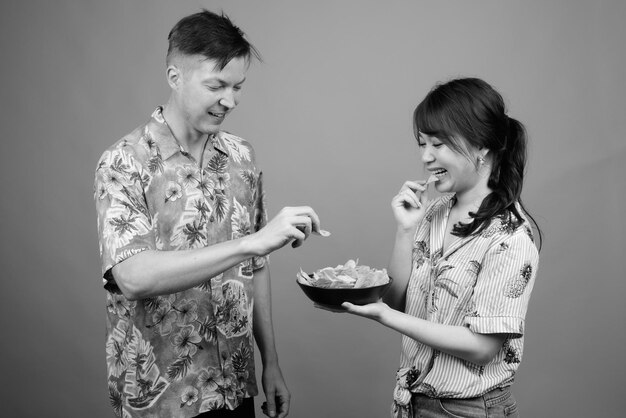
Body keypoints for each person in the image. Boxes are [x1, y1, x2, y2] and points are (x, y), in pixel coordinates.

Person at [94, 10, 324, 418]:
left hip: (234, 387)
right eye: (216, 85)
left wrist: (270, 362)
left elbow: (257, 266)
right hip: (162, 399)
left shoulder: (241, 155)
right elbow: (132, 277)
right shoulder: (124, 161)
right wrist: (252, 242)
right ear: (174, 77)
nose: (229, 101)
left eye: (238, 87)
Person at [332, 78, 541, 417]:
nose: (426, 157)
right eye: (421, 143)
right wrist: (406, 229)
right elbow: (396, 302)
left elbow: (482, 347)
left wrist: (385, 317)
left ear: (482, 147)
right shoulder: (434, 213)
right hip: (411, 402)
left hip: (469, 410)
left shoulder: (511, 236)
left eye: (439, 144)